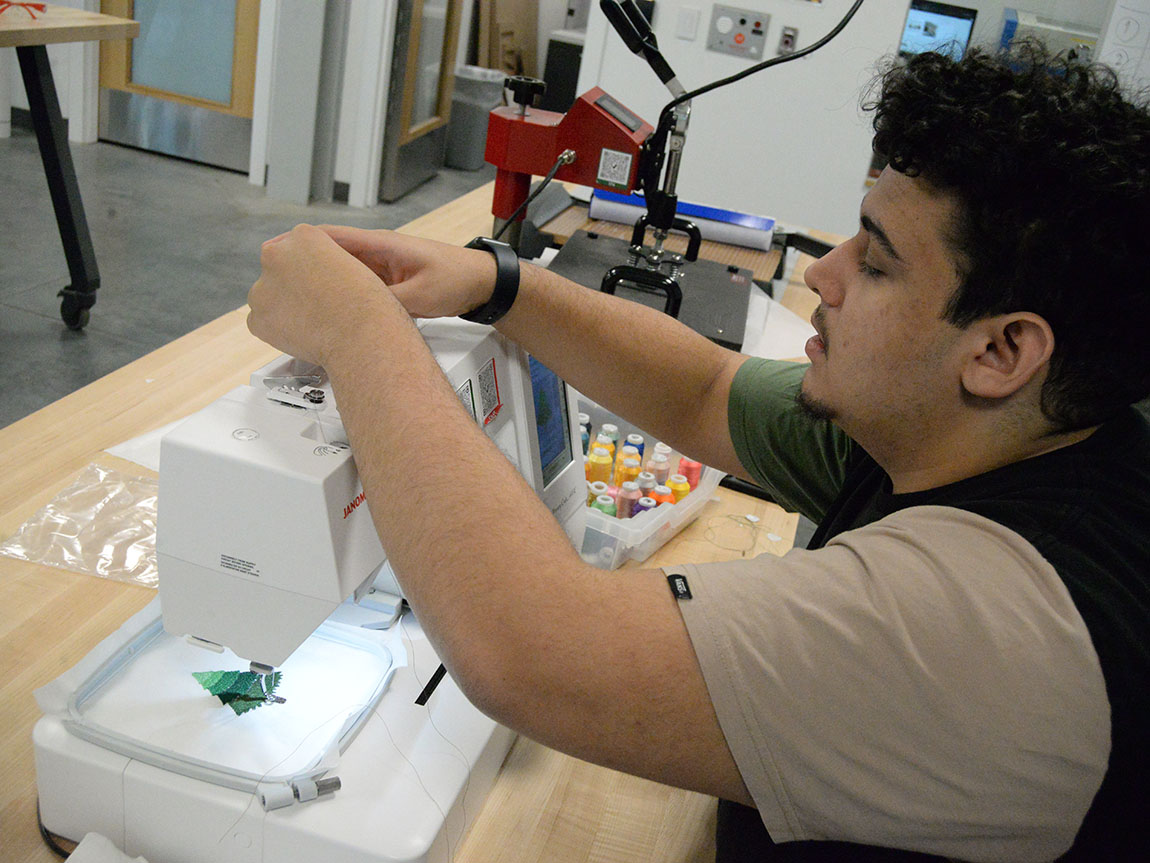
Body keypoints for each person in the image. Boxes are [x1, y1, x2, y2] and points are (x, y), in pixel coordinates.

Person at [246, 44, 1149, 861]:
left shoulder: (990, 625)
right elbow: (706, 392)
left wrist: (360, 334)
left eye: (875, 265)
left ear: (1002, 351)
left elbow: (527, 649)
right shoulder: (988, 435)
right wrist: (495, 283)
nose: (822, 275)